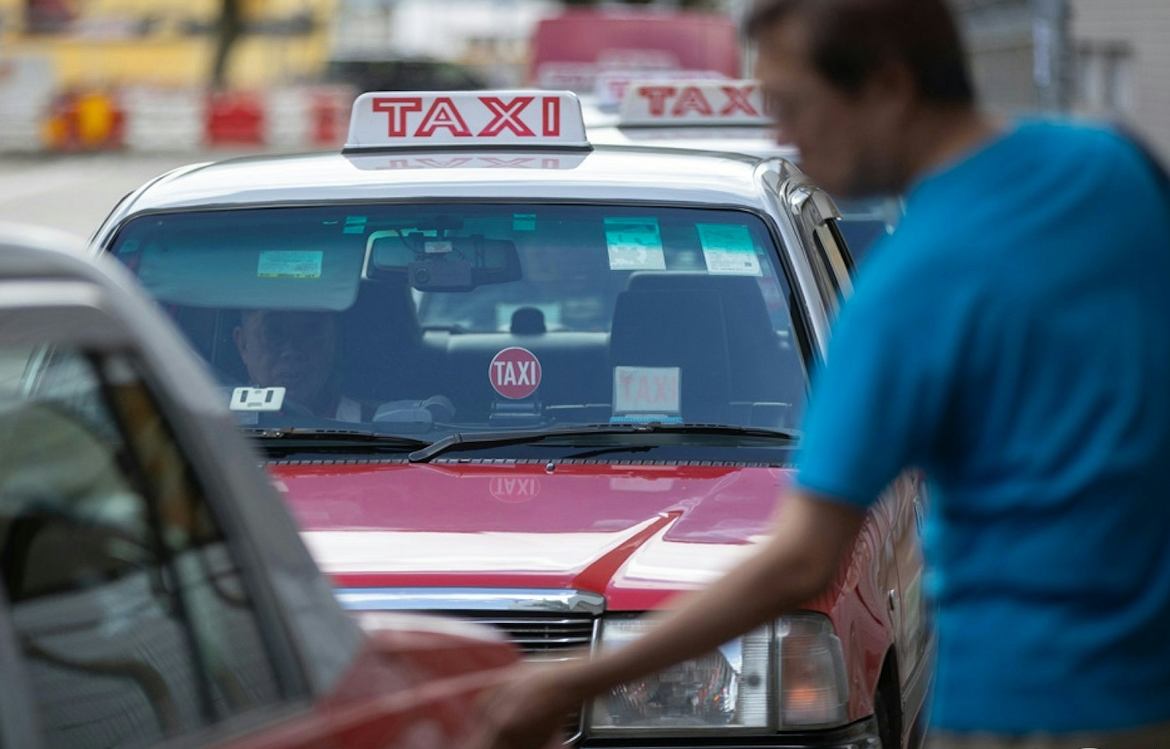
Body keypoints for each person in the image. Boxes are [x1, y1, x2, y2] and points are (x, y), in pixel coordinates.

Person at [464, 1, 1170, 748]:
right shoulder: (1114, 170)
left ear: (887, 87)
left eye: (793, 105)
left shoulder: (906, 288)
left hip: (1021, 706)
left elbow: (801, 558)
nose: (781, 135)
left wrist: (571, 678)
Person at [231, 309, 361, 421]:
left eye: (310, 331)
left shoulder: (371, 426)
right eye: (274, 332)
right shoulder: (216, 429)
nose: (292, 351)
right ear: (243, 345)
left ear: (334, 341)